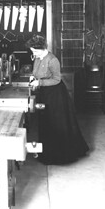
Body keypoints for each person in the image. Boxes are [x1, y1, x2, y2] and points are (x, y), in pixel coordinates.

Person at [26, 34, 89, 165]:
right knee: (45, 122)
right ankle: (46, 152)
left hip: (56, 95)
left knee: (56, 123)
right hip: (43, 93)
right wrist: (33, 78)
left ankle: (58, 155)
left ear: (43, 48)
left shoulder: (52, 60)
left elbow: (56, 79)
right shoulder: (37, 58)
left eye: (36, 51)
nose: (34, 54)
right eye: (33, 52)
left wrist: (40, 83)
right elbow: (36, 73)